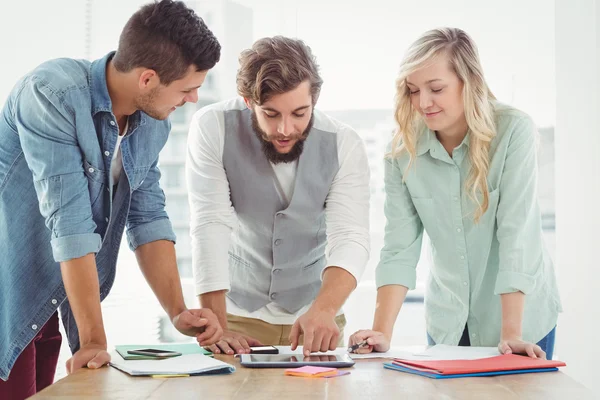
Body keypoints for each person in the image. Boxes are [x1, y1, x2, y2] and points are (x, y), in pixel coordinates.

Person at [0, 1, 222, 398]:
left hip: (48, 299)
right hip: (8, 293)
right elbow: (69, 224)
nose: (192, 99)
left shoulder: (152, 123)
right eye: (188, 88)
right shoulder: (52, 93)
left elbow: (148, 216)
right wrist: (94, 342)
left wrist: (178, 311)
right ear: (148, 78)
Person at [348, 27, 561, 360]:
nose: (422, 102)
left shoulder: (512, 131)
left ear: (469, 81)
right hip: (449, 322)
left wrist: (511, 335)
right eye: (413, 90)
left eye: (436, 89)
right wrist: (382, 332)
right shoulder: (402, 149)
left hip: (520, 319)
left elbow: (516, 234)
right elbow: (399, 247)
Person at [186, 36, 370, 357]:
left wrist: (324, 309)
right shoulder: (213, 126)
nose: (286, 129)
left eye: (300, 113)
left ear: (315, 99)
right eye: (271, 114)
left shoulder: (345, 143)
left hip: (318, 318)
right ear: (247, 101)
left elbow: (350, 236)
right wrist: (217, 324)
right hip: (237, 318)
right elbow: (209, 223)